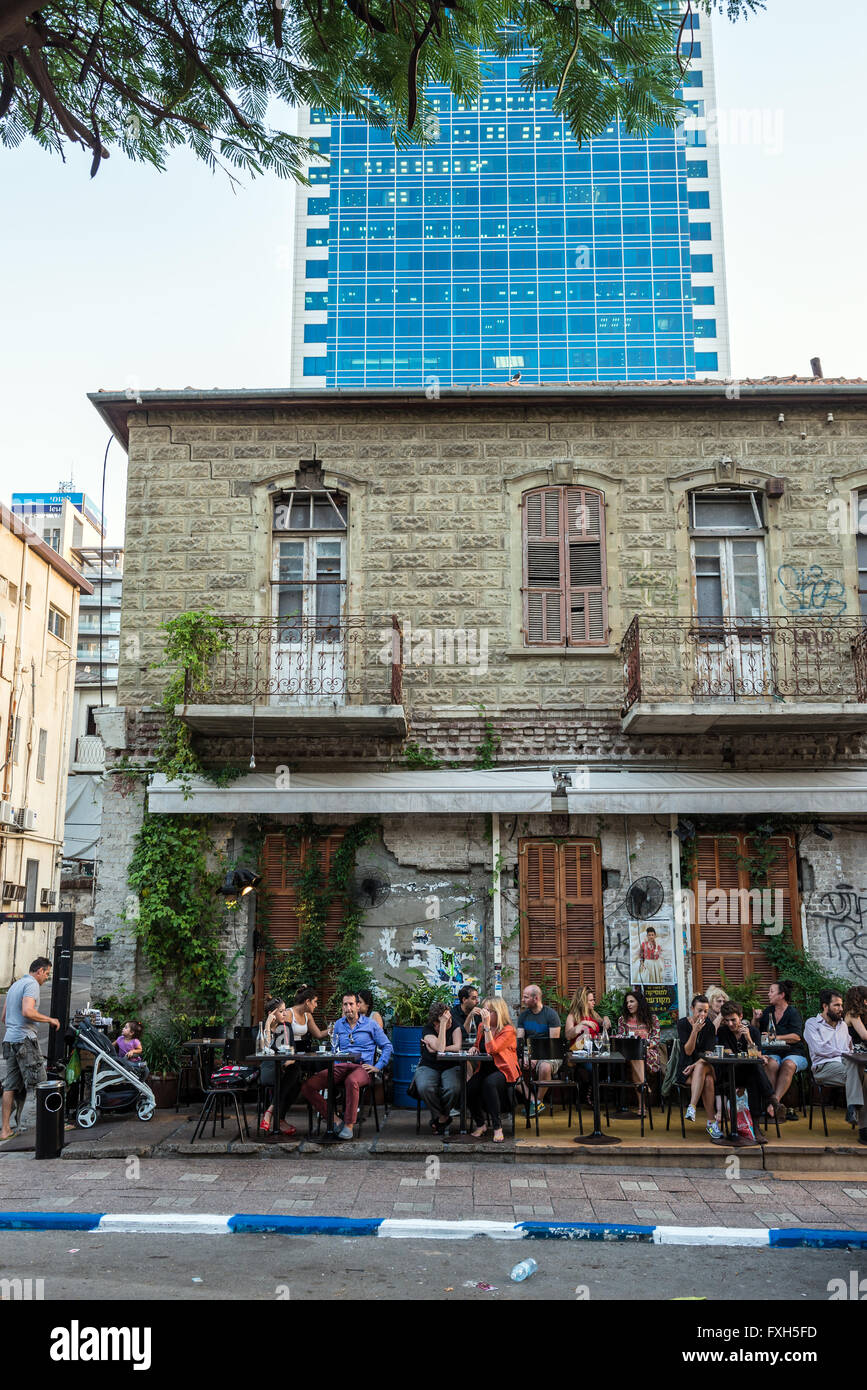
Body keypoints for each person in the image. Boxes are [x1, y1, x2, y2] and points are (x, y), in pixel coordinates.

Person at [302, 993, 392, 1140]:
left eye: (351, 1004)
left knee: (352, 1081)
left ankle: (349, 1125)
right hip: (341, 1066)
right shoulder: (338, 1024)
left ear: (358, 1006)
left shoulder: (370, 1024)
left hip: (362, 1067)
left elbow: (387, 1046)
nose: (348, 1008)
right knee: (308, 1086)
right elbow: (334, 1048)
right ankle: (335, 1121)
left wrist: (378, 1066)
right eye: (345, 1004)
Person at [1, 957, 60, 1141]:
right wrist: (50, 1019)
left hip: (9, 1039)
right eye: (47, 974)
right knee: (41, 1082)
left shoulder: (15, 985)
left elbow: (4, 1017)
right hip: (24, 1040)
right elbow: (28, 1011)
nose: (46, 978)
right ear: (40, 971)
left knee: (10, 1086)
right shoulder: (31, 984)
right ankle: (51, 1126)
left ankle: (5, 1130)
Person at [804, 989, 867, 1143]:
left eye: (841, 1005)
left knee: (863, 1075)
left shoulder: (842, 1026)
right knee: (857, 1068)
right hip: (823, 1068)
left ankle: (855, 1109)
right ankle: (863, 1127)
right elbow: (819, 1050)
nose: (841, 1009)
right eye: (837, 1005)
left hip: (846, 1068)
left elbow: (849, 1050)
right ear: (825, 1006)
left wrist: (845, 1054)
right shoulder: (812, 1024)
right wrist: (843, 1053)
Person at [716, 1000, 777, 1136]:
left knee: (753, 1077)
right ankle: (772, 1099)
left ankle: (755, 1128)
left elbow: (757, 1055)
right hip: (729, 1074)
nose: (730, 1024)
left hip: (748, 1073)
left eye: (733, 1020)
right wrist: (750, 1058)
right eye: (727, 1020)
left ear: (741, 1016)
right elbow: (729, 1055)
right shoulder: (723, 1031)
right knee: (754, 1066)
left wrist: (749, 1039)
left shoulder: (753, 1031)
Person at [467, 997, 520, 1143]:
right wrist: (474, 1047)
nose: (485, 1014)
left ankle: (497, 1127)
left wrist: (486, 1027)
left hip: (504, 1070)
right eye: (484, 1010)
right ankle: (480, 1124)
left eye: (488, 1011)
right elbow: (480, 1046)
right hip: (485, 1068)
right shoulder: (480, 1027)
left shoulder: (508, 1030)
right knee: (469, 1087)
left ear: (498, 1012)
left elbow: (491, 1049)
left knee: (489, 1084)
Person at [753, 980, 808, 1119]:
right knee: (770, 1063)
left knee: (788, 1064)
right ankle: (772, 1103)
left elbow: (796, 1037)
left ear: (781, 995)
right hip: (773, 1052)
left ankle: (773, 1103)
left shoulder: (793, 1013)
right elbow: (755, 1032)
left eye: (771, 991)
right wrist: (756, 1019)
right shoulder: (768, 1011)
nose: (768, 994)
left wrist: (775, 1037)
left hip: (794, 1052)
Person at [676, 994, 723, 1139]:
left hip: (707, 1064)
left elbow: (708, 1054)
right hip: (686, 1069)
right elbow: (688, 1051)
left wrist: (695, 1065)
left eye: (705, 1011)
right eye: (699, 1010)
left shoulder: (709, 1026)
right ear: (692, 1009)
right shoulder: (682, 1024)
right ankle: (711, 1123)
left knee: (702, 1066)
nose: (703, 1014)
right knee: (707, 1080)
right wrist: (694, 1031)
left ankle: (692, 1106)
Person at [414, 1000, 463, 1133]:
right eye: (446, 1019)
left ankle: (441, 1117)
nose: (450, 1021)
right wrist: (442, 1026)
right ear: (435, 1023)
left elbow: (456, 1047)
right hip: (429, 1065)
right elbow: (441, 1048)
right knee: (425, 1087)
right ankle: (442, 1116)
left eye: (449, 1018)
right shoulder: (428, 1029)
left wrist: (435, 1048)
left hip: (450, 1065)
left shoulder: (455, 1026)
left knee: (453, 1088)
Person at [516, 983, 562, 1116]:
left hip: (550, 1052)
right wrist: (522, 1057)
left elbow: (553, 1043)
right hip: (529, 1051)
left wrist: (535, 1057)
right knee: (511, 1066)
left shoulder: (551, 1015)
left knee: (545, 1068)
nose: (523, 1000)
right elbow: (520, 1041)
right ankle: (534, 1101)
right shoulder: (523, 1016)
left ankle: (539, 1100)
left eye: (525, 997)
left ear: (535, 998)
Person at [616, 988, 662, 1118]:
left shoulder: (652, 1019)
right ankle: (643, 1086)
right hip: (629, 1054)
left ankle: (642, 1103)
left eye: (632, 1001)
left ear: (639, 1003)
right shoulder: (622, 1020)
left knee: (638, 1056)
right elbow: (620, 1037)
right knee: (635, 1056)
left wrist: (644, 1047)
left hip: (649, 1053)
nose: (628, 1005)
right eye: (627, 1002)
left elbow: (656, 1039)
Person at [565, 986, 610, 1102]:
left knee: (610, 1066)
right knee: (592, 1068)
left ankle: (593, 1094)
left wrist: (605, 1018)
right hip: (580, 1052)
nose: (594, 1002)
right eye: (591, 1000)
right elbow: (568, 1035)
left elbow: (605, 1024)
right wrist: (582, 1024)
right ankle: (592, 1095)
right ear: (583, 1001)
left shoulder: (594, 1014)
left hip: (595, 1050)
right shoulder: (572, 1016)